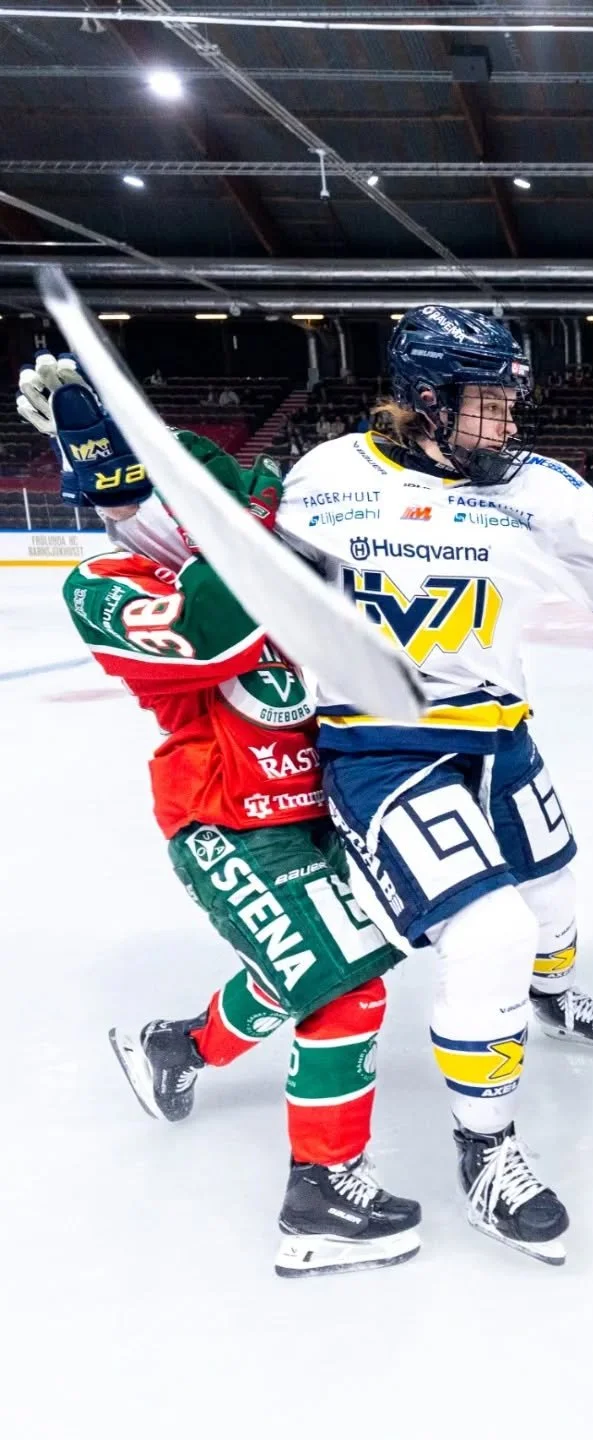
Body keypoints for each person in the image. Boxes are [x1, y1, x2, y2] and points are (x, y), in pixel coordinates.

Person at [269, 305, 593, 1265]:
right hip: (382, 746)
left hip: (497, 735)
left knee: (552, 900)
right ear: (427, 401)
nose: (507, 420)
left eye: (511, 400)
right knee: (490, 933)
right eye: (488, 403)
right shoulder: (324, 479)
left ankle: (551, 996)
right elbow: (242, 578)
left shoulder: (538, 491)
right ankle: (487, 1153)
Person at [15, 353, 418, 1279]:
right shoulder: (106, 587)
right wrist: (237, 526)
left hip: (315, 811)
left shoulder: (240, 540)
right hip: (223, 822)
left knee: (297, 976)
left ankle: (173, 1046)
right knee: (346, 987)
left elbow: (265, 498)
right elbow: (211, 634)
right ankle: (319, 1195)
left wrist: (167, 451)